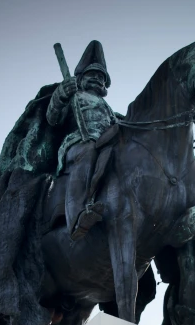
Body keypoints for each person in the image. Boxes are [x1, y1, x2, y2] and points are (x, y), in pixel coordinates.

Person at [46, 40, 117, 240]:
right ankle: (77, 217)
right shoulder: (74, 96)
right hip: (78, 143)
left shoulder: (107, 108)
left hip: (106, 142)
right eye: (92, 75)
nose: (96, 79)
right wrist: (60, 95)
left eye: (100, 77)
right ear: (82, 78)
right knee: (88, 152)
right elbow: (53, 118)